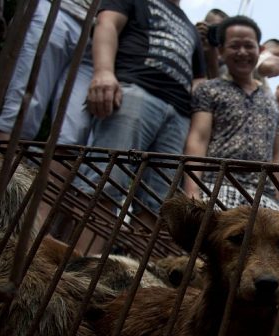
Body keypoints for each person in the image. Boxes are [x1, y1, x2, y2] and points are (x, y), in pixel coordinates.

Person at [79, 0, 205, 253]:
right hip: (136, 89)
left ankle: (130, 273)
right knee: (106, 179)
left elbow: (200, 79)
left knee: (156, 202)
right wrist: (103, 71)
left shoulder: (190, 28)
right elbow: (107, 24)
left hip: (179, 113)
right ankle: (81, 266)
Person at [183, 15, 279, 210]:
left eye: (249, 45)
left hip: (264, 198)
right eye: (235, 46)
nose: (242, 52)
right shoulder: (209, 89)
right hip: (216, 187)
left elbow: (276, 154)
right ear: (220, 51)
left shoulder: (271, 100)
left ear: (259, 50)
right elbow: (198, 139)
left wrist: (275, 195)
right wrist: (192, 191)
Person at [0, 0, 93, 147]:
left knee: (72, 136)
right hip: (57, 10)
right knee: (21, 114)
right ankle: (1, 169)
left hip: (103, 32)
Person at [195, 8, 228, 79]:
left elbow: (217, 88)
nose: (214, 34)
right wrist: (193, 36)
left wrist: (212, 61)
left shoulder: (226, 65)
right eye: (211, 28)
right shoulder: (190, 44)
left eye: (219, 32)